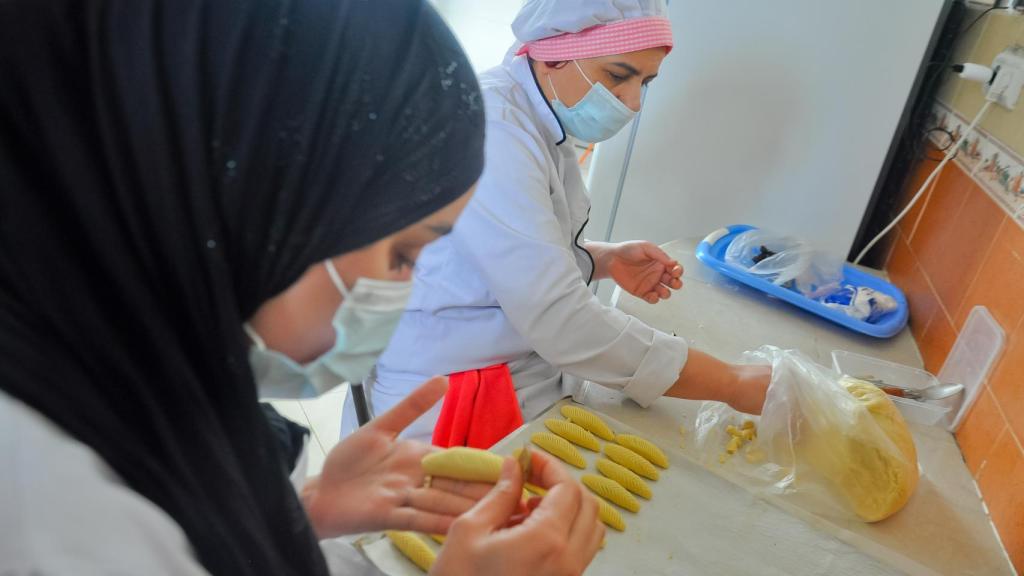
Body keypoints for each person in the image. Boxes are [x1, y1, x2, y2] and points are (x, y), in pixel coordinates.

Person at [0, 1, 602, 575]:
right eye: (403, 253)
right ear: (252, 211)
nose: (404, 292)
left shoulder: (144, 370)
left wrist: (299, 513)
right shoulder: (49, 518)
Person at [372, 0, 771, 447]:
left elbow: (495, 258)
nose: (633, 102)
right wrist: (732, 383)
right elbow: (561, 320)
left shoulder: (536, 117)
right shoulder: (492, 131)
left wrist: (602, 259)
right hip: (450, 397)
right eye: (618, 76)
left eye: (646, 81)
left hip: (510, 366)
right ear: (553, 53)